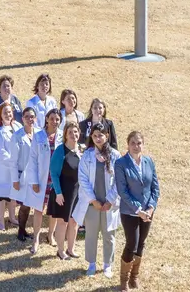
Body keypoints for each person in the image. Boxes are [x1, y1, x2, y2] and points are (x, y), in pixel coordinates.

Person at [73, 122, 121, 279]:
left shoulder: (115, 155)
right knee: (91, 235)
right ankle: (91, 263)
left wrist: (110, 200)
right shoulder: (87, 155)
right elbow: (83, 179)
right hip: (92, 204)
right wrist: (93, 200)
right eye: (95, 136)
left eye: (101, 135)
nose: (98, 138)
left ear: (107, 135)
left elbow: (119, 181)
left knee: (109, 235)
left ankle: (108, 265)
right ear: (91, 137)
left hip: (109, 205)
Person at [115, 131, 160, 290]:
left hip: (148, 211)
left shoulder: (149, 161)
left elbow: (155, 187)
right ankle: (124, 280)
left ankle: (134, 276)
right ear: (127, 144)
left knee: (141, 243)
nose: (136, 146)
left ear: (143, 144)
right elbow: (122, 191)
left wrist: (151, 206)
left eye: (139, 143)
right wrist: (138, 209)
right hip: (130, 211)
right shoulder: (121, 163)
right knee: (131, 244)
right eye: (133, 143)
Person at [27, 108, 62, 254]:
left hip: (56, 180)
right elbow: (33, 159)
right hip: (42, 178)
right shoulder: (39, 136)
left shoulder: (62, 136)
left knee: (54, 210)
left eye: (57, 119)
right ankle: (36, 238)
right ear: (46, 119)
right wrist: (34, 181)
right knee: (39, 209)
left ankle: (50, 235)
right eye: (52, 118)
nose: (54, 121)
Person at [50, 121, 82, 260]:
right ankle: (60, 250)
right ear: (65, 135)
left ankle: (71, 248)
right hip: (63, 192)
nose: (73, 135)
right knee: (63, 222)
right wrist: (58, 193)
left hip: (77, 192)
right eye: (70, 132)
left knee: (74, 222)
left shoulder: (81, 150)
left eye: (75, 132)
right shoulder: (60, 150)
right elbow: (54, 173)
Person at [0, 102, 21, 230]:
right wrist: (12, 161)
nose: (8, 115)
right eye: (5, 113)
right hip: (3, 169)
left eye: (9, 112)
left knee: (13, 195)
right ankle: (1, 221)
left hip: (15, 168)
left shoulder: (18, 126)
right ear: (0, 115)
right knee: (1, 196)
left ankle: (12, 217)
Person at [11, 107, 40, 241]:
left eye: (32, 116)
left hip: (37, 175)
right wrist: (15, 180)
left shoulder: (39, 134)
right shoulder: (17, 136)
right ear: (22, 119)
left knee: (33, 204)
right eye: (27, 116)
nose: (30, 119)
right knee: (24, 204)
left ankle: (25, 230)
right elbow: (13, 160)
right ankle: (21, 231)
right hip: (23, 175)